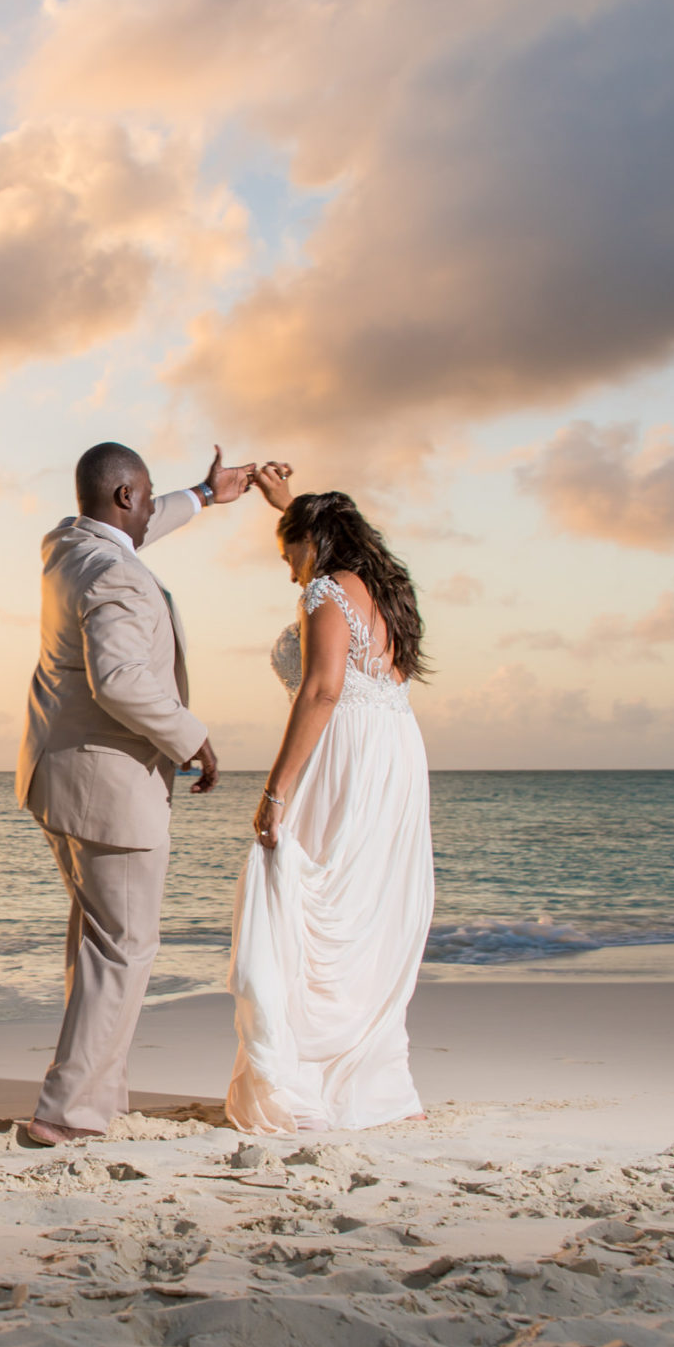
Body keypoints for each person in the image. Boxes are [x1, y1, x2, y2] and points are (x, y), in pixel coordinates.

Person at [17, 441, 264, 1145]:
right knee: (123, 947)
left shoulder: (67, 546)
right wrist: (191, 737)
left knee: (99, 945)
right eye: (147, 494)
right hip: (109, 785)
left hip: (59, 777)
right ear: (123, 496)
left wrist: (206, 495)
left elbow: (133, 531)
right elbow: (120, 679)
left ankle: (97, 1093)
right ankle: (66, 1114)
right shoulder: (111, 574)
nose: (153, 506)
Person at [226, 470, 436, 1132]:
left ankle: (305, 1082)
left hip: (344, 755)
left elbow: (321, 690)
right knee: (359, 911)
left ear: (311, 544)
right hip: (393, 757)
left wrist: (274, 791)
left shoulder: (324, 590)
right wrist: (290, 507)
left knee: (297, 892)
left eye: (288, 552)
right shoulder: (383, 590)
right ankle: (370, 1086)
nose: (289, 573)